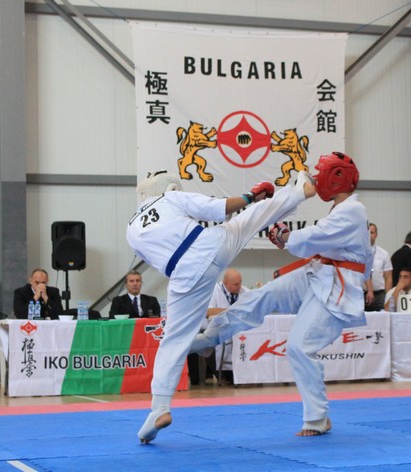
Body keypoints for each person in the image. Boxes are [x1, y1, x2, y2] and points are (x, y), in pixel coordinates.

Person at [127, 169, 315, 443]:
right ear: (169, 188)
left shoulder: (131, 231)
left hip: (183, 276)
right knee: (249, 219)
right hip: (210, 246)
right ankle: (299, 191)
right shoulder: (170, 198)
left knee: (172, 341)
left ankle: (160, 408)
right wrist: (250, 196)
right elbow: (220, 208)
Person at [192, 152, 372, 437]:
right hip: (318, 273)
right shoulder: (342, 209)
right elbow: (317, 241)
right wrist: (283, 228)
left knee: (299, 347)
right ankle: (211, 337)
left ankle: (318, 418)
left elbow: (314, 237)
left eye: (321, 174)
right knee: (262, 296)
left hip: (337, 286)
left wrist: (285, 236)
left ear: (336, 179)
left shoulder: (353, 210)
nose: (317, 179)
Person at [204, 268, 249, 385]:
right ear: (225, 283)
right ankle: (222, 374)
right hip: (217, 329)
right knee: (208, 344)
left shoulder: (245, 291)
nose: (239, 287)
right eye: (236, 284)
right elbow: (208, 311)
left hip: (240, 331)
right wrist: (232, 311)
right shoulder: (214, 291)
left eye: (240, 283)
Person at [365, 223, 393, 311]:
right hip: (362, 294)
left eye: (372, 232)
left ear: (376, 235)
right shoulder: (358, 253)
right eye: (367, 232)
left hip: (379, 296)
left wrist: (387, 297)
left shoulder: (383, 254)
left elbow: (388, 277)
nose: (369, 235)